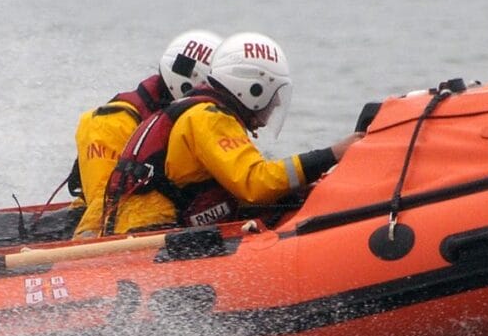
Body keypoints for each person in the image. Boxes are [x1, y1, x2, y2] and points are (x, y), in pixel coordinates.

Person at [102, 31, 362, 234]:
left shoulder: (197, 111)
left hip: (147, 231)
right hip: (150, 237)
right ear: (253, 90)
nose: (277, 105)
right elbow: (254, 182)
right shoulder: (208, 118)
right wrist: (332, 154)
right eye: (273, 98)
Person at [70, 30, 222, 238]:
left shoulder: (185, 120)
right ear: (189, 82)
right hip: (99, 225)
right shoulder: (112, 122)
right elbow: (105, 202)